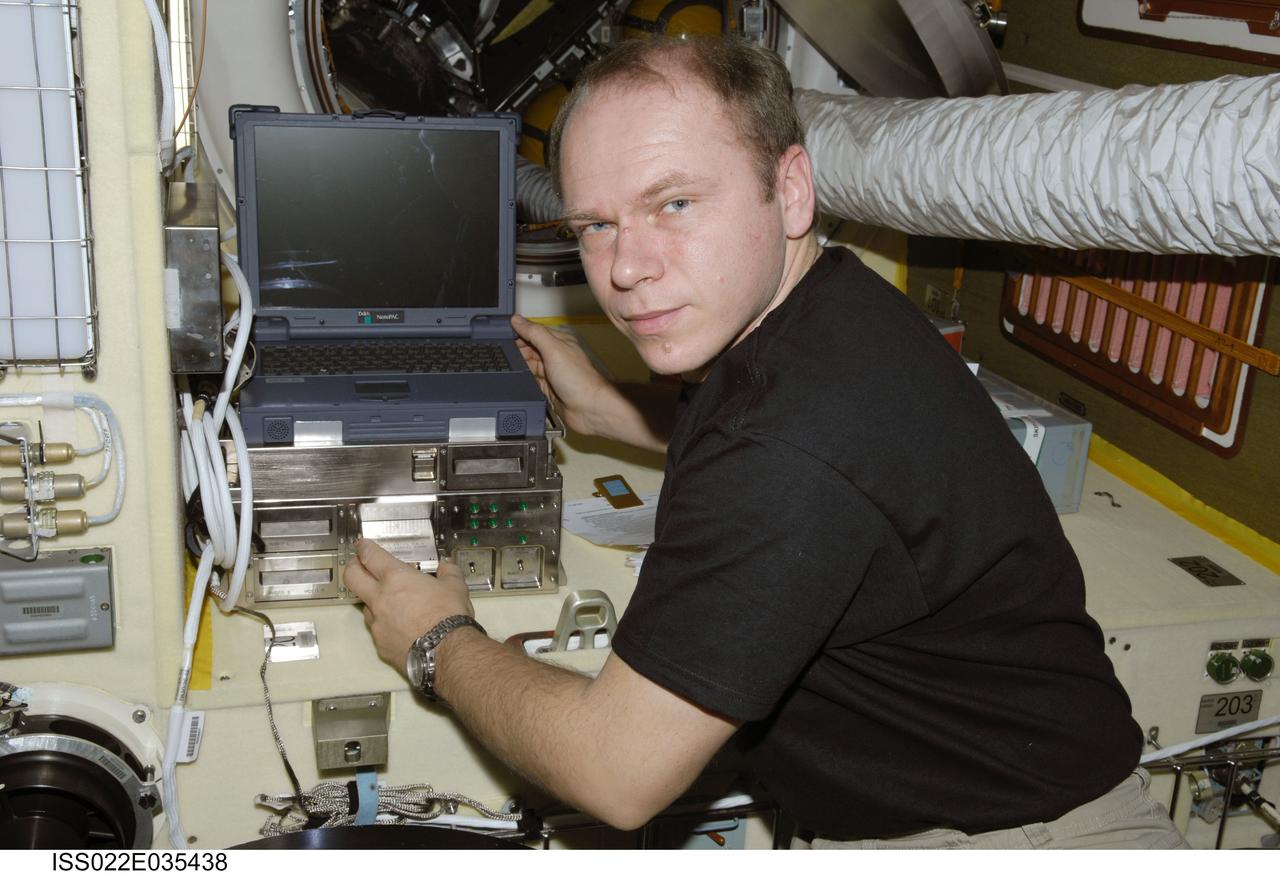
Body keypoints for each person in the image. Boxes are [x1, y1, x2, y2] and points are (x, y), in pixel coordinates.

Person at [343, 35, 1189, 848]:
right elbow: (832, 466)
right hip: (1023, 800)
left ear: (790, 191)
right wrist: (617, 409)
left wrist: (437, 637)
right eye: (595, 225)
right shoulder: (827, 315)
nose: (626, 269)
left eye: (673, 203)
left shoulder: (784, 446)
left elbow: (614, 773)